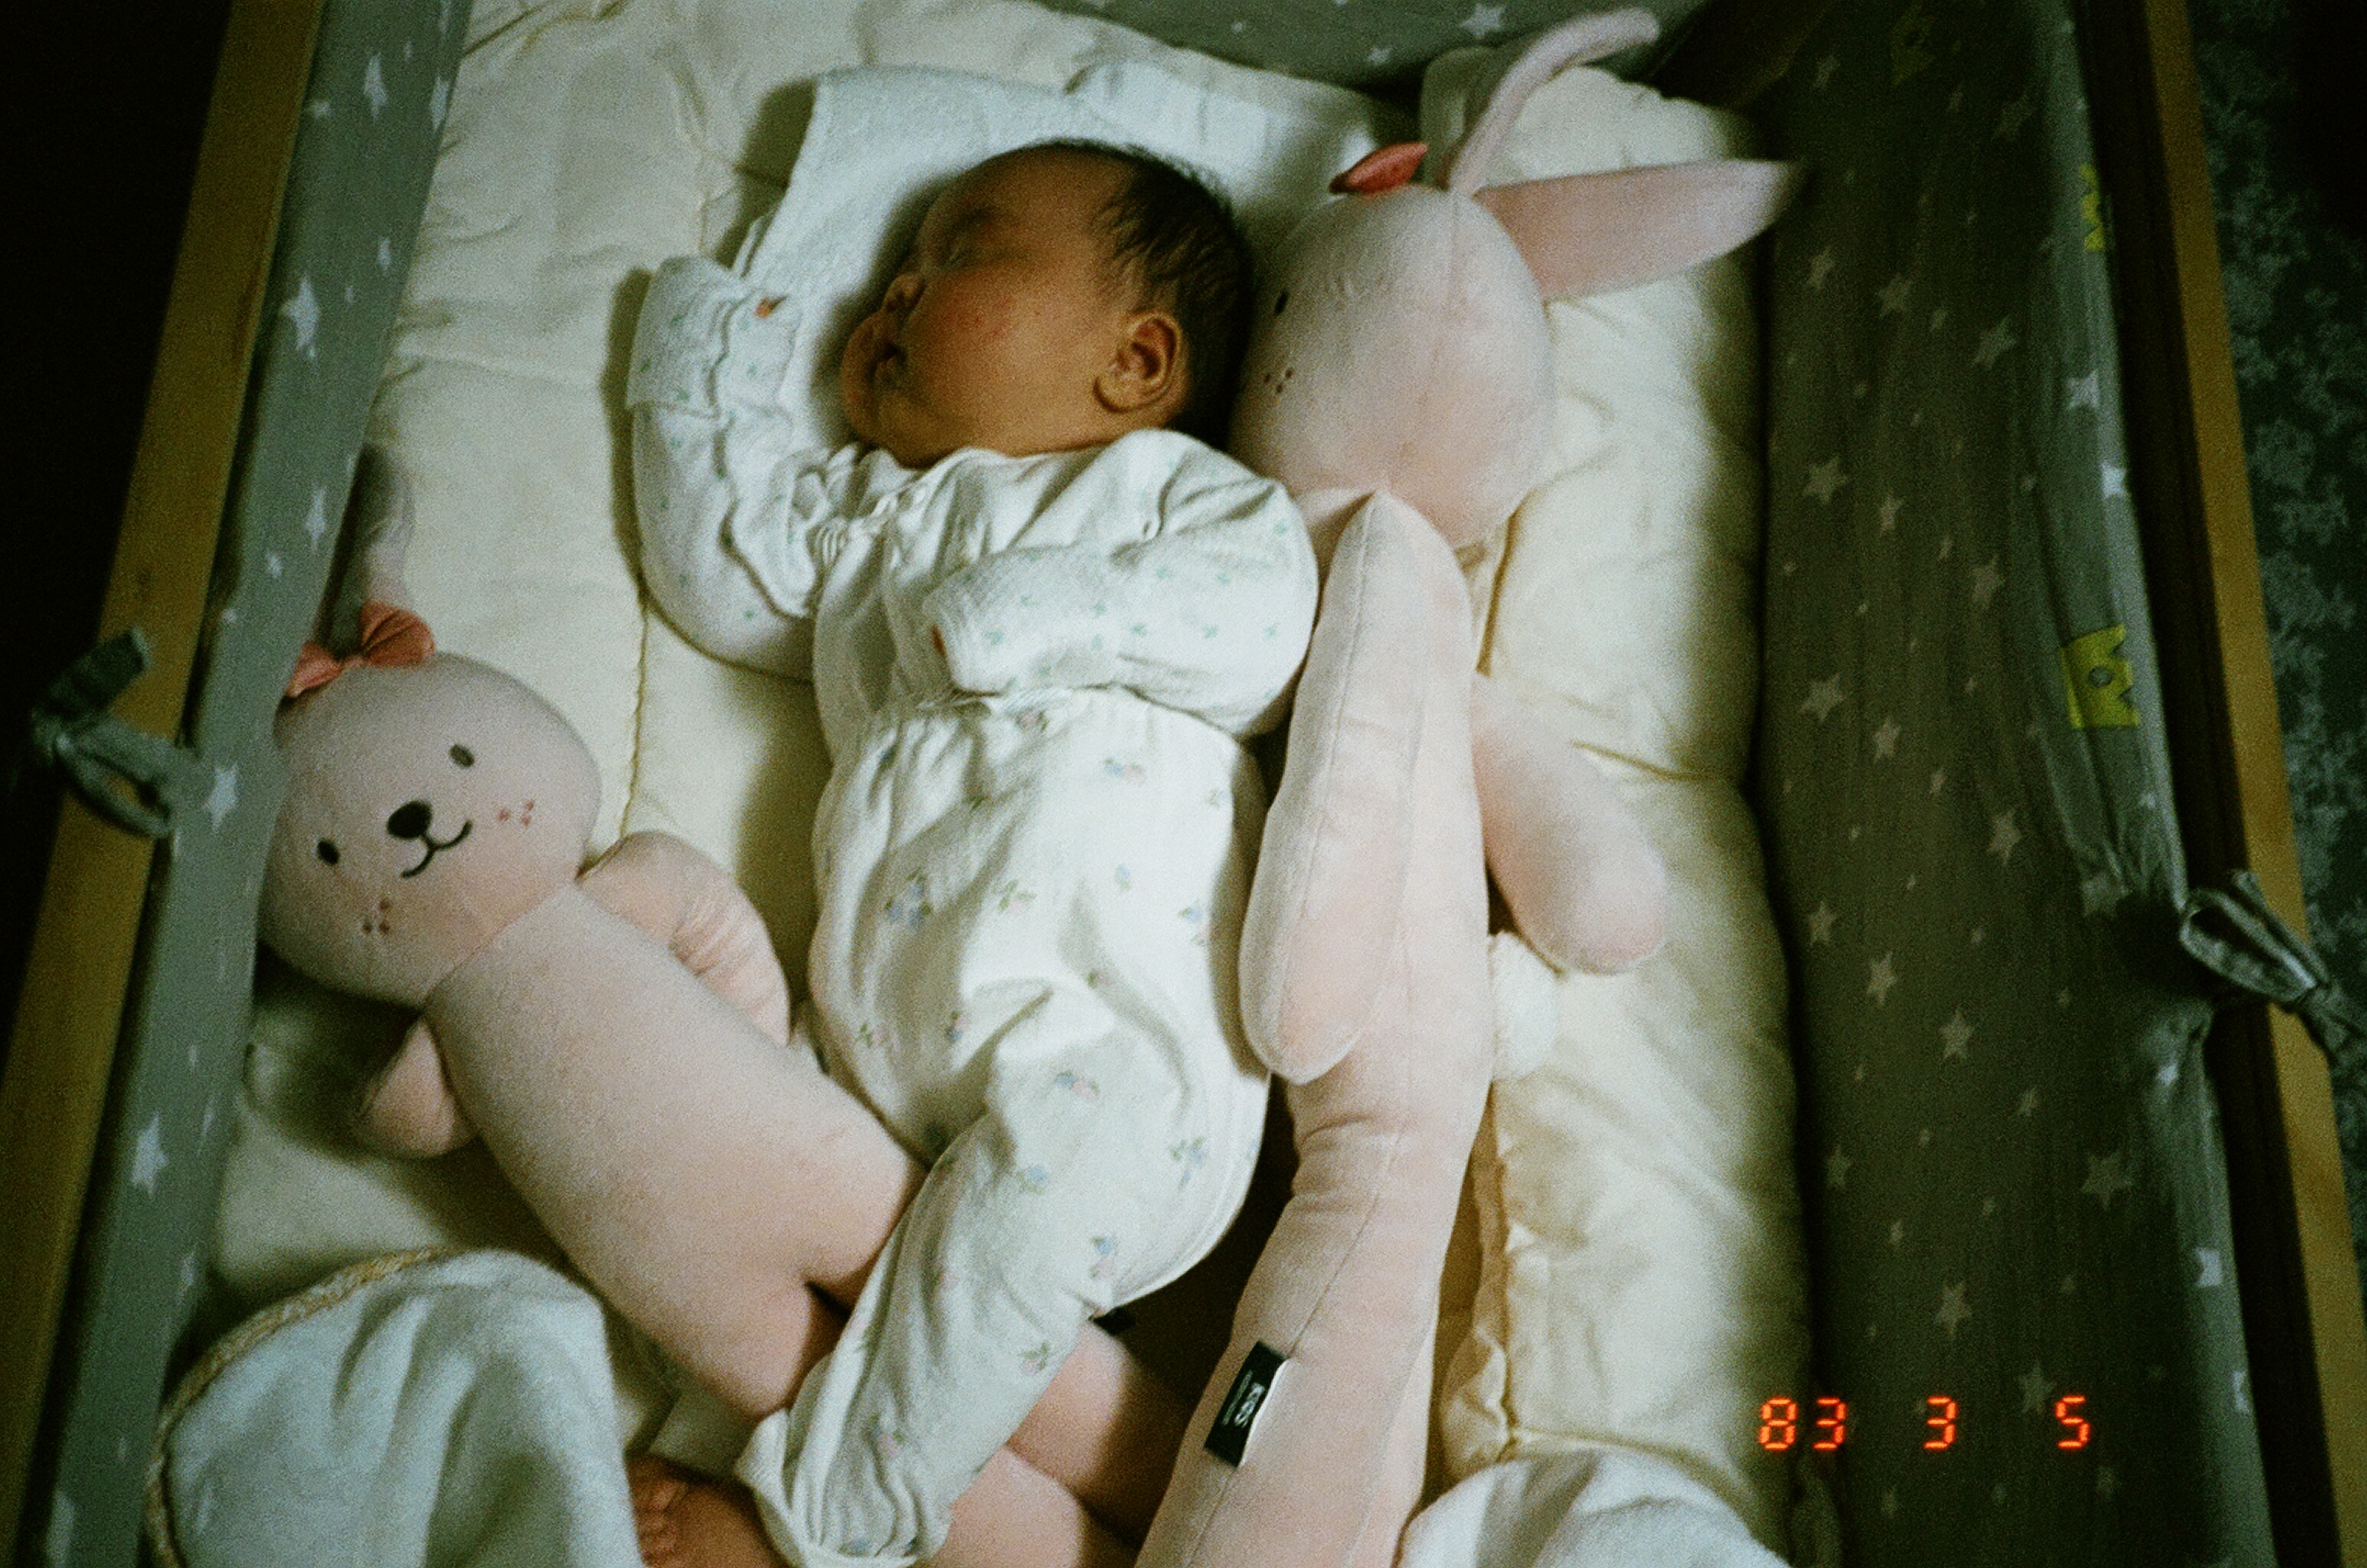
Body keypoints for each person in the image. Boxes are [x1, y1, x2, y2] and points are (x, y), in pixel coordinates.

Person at [626, 141, 1316, 1568]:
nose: (893, 289)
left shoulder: (1176, 494)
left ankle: (818, 1529)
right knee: (716, 1171)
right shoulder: (877, 512)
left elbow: (1258, 626)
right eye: (900, 263)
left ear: (1136, 360)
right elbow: (720, 569)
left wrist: (1043, 615)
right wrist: (687, 348)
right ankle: (681, 1434)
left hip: (1108, 1047)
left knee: (1012, 1233)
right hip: (872, 1023)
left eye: (962, 253)